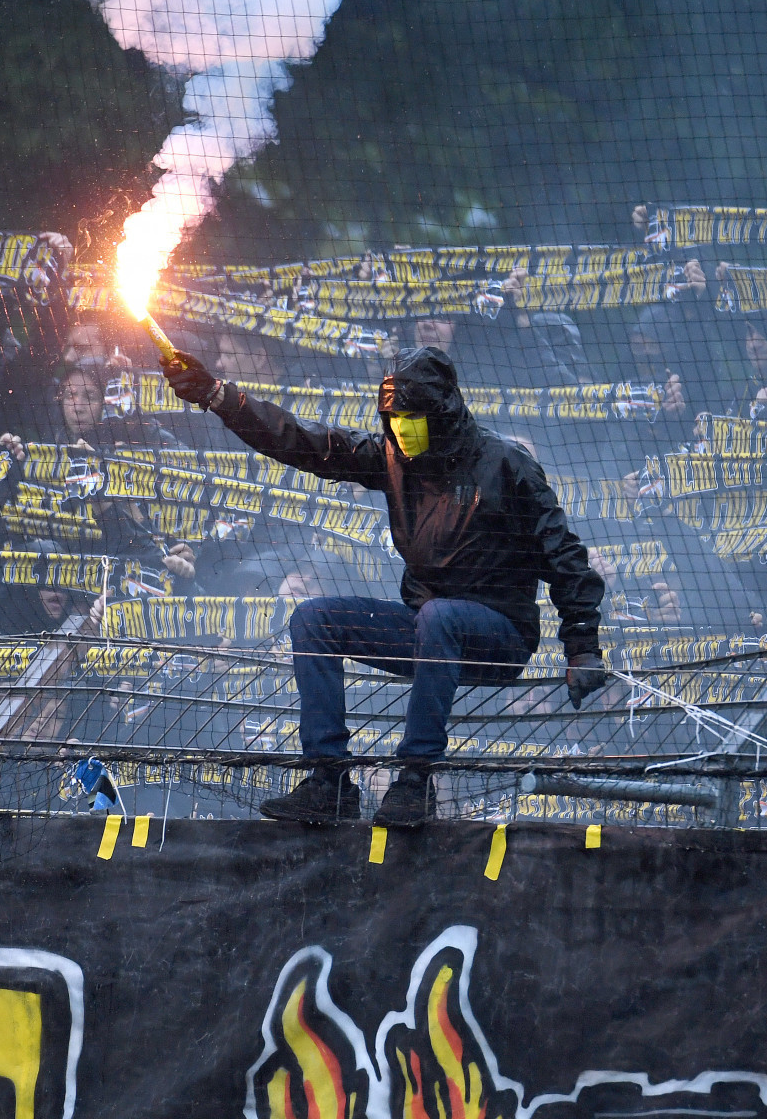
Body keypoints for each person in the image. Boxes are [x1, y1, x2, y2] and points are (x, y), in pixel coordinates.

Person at [162, 343, 607, 826]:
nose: (400, 428)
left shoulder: (506, 466)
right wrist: (216, 395)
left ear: (442, 412)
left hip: (498, 637)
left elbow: (565, 557)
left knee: (440, 616)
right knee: (314, 619)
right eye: (393, 417)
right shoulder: (394, 458)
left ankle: (416, 779)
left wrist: (581, 645)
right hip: (427, 629)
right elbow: (303, 441)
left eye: (410, 417)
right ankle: (328, 780)